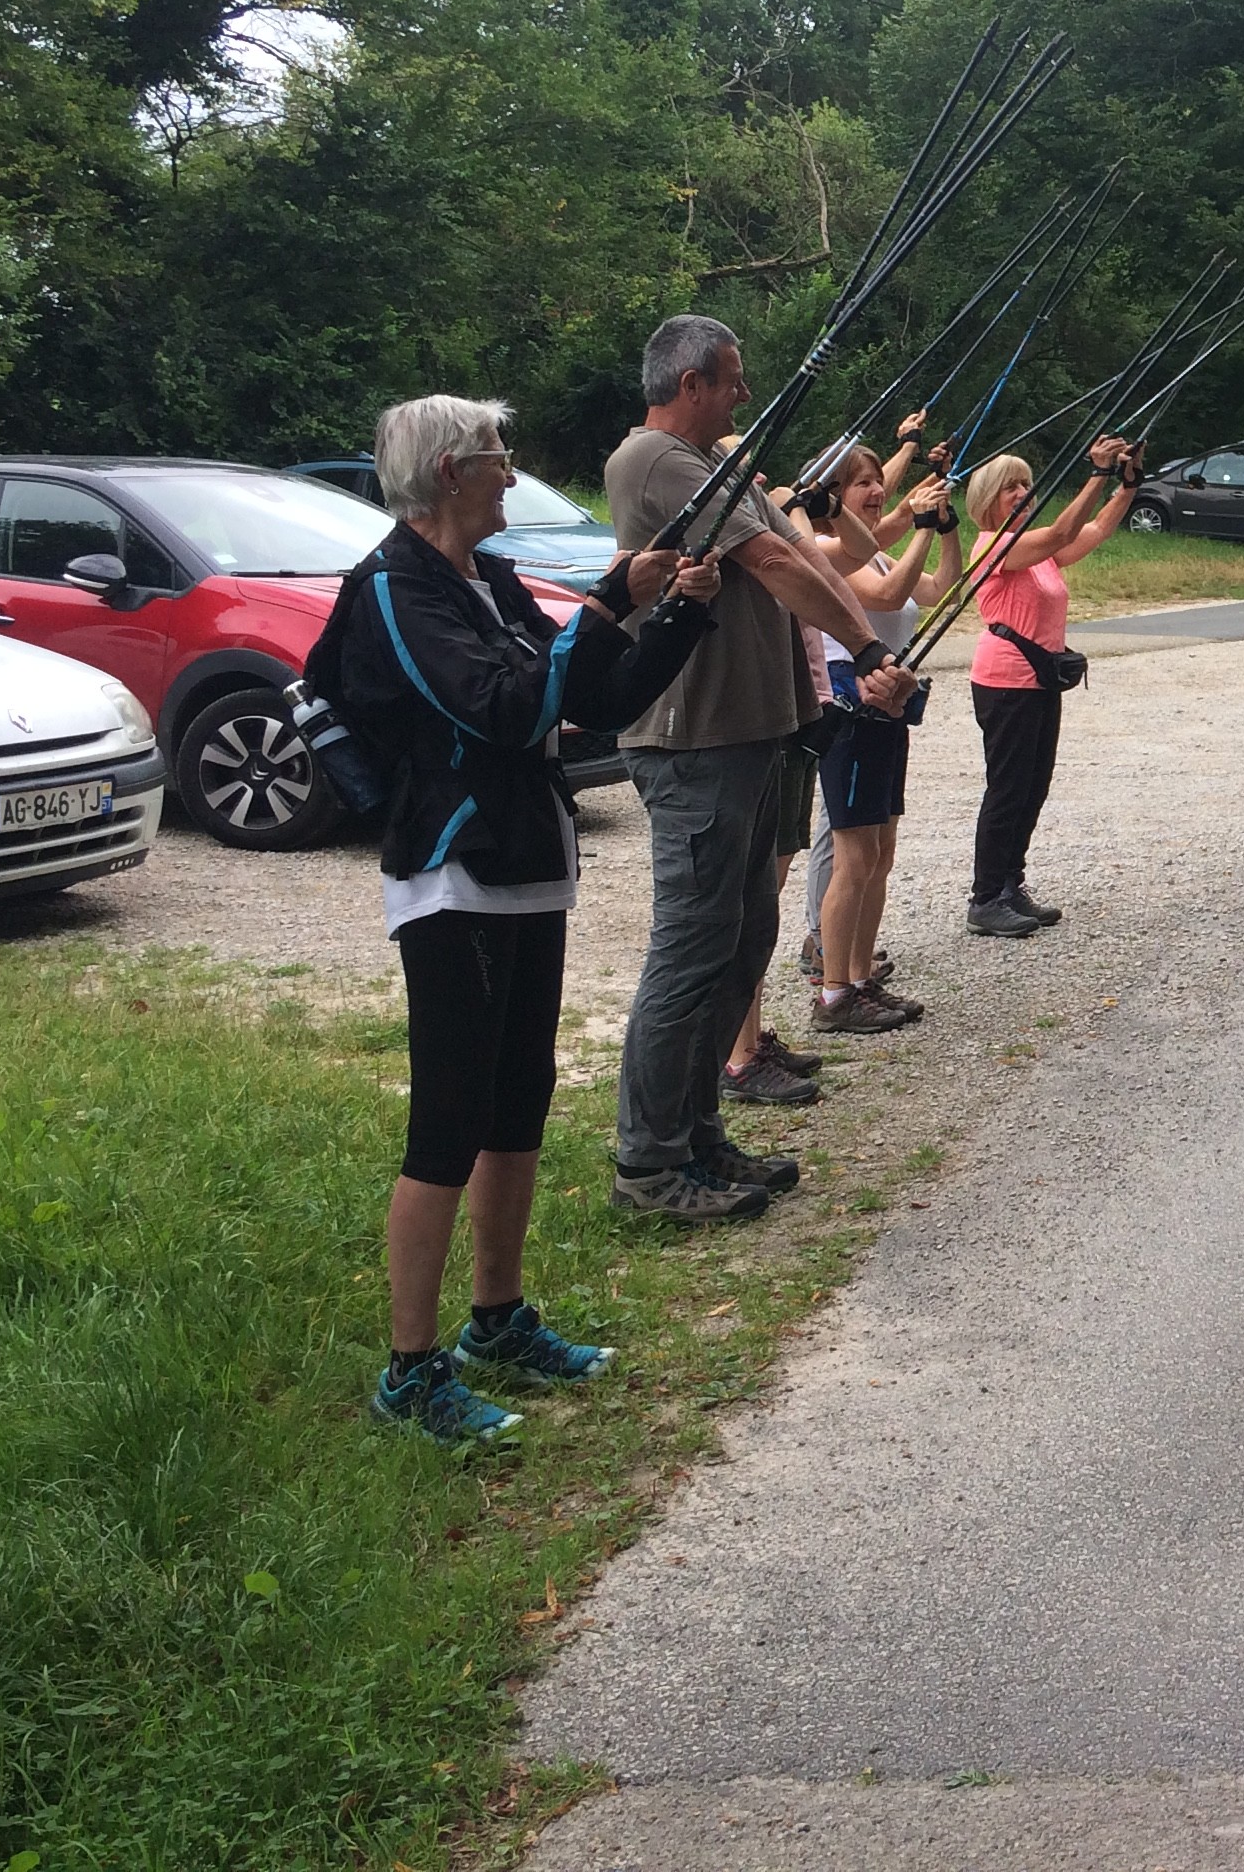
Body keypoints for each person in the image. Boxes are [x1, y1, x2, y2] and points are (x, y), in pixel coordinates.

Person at [317, 393, 718, 1446]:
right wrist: (598, 606)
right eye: (500, 455)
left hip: (529, 866)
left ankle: (496, 1320)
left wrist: (671, 610)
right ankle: (411, 1368)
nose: (513, 470)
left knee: (518, 1104)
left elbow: (588, 701)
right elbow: (502, 706)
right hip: (452, 873)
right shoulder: (395, 592)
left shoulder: (482, 579)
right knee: (448, 1117)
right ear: (451, 473)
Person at [606, 316, 916, 1219]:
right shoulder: (656, 459)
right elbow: (775, 558)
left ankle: (697, 1136)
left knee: (743, 939)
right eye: (733, 380)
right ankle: (647, 1163)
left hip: (756, 737)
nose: (744, 395)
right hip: (692, 742)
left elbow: (805, 542)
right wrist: (867, 648)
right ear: (693, 381)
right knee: (690, 948)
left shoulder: (715, 469)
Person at [959, 435, 1138, 938]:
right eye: (1008, 487)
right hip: (1004, 681)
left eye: (1025, 485)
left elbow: (1095, 529)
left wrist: (1126, 483)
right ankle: (985, 896)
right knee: (1008, 788)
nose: (1020, 493)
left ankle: (1010, 885)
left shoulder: (1037, 551)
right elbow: (1064, 530)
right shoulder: (995, 547)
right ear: (986, 501)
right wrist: (1096, 474)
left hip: (1037, 681)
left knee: (1033, 787)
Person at [808, 448, 960, 1025]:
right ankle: (833, 992)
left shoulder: (875, 556)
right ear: (835, 497)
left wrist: (944, 532)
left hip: (890, 704)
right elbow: (891, 597)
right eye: (860, 484)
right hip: (851, 708)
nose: (875, 491)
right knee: (853, 855)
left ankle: (861, 975)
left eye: (878, 482)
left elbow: (938, 588)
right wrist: (919, 526)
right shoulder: (833, 559)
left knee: (880, 852)